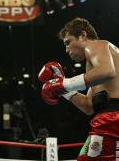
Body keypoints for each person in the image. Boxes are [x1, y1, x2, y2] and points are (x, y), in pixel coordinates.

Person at [38, 17, 119, 160]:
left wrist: (64, 83)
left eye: (68, 42)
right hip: (111, 118)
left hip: (112, 120)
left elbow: (107, 71)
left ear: (83, 35)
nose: (66, 49)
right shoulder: (98, 65)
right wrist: (63, 89)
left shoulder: (97, 45)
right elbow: (89, 106)